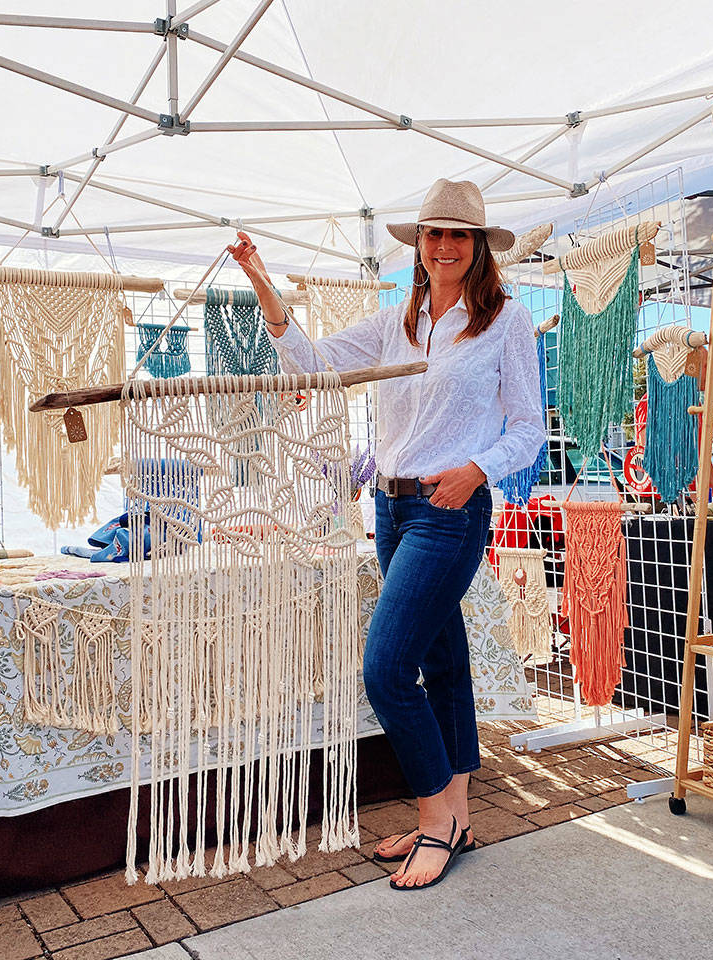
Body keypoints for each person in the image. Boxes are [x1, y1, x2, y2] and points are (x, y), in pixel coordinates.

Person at [228, 178, 546, 891]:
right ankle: (457, 817)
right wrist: (261, 282)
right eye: (433, 233)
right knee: (445, 663)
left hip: (450, 509)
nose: (443, 246)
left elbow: (529, 428)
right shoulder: (389, 323)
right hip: (392, 510)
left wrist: (475, 469)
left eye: (458, 235)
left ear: (478, 246)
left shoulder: (506, 322)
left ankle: (435, 820)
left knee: (386, 669)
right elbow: (312, 366)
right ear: (419, 245)